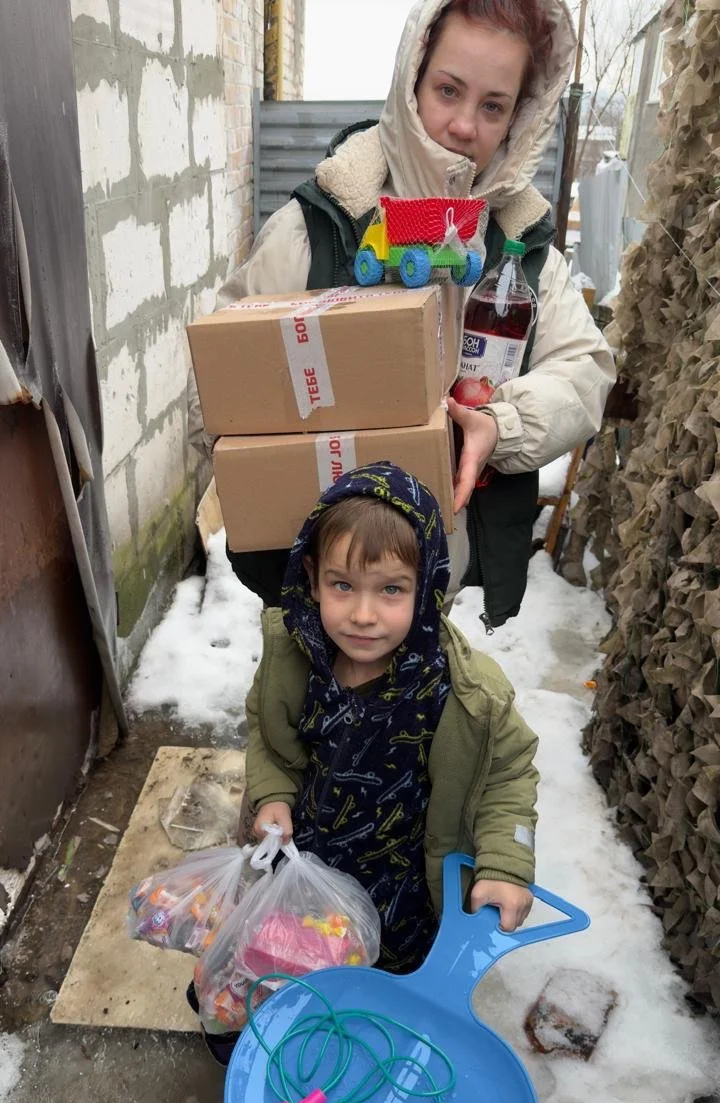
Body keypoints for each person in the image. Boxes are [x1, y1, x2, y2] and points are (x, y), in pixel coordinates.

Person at [187, 0, 615, 626]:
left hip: (441, 586)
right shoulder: (318, 228)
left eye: (493, 105)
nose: (465, 125)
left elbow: (586, 370)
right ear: (411, 82)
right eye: (449, 90)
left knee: (426, 719)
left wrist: (502, 424)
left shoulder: (520, 250)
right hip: (315, 585)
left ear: (520, 116)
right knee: (301, 717)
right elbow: (218, 387)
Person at [244, 462, 539, 986]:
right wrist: (272, 795)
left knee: (385, 1000)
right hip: (307, 878)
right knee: (299, 982)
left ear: (426, 587)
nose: (363, 614)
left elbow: (507, 774)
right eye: (343, 585)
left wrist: (505, 864)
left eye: (391, 590)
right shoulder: (295, 663)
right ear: (312, 579)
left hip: (406, 898)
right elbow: (268, 739)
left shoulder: (465, 693)